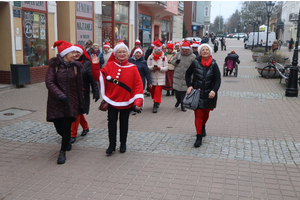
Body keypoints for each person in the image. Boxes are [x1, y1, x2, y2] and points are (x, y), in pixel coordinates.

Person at [91, 42, 144, 155]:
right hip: (112, 100)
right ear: (115, 54)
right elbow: (98, 77)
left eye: (124, 51)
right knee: (111, 123)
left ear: (127, 53)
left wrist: (138, 101)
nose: (122, 54)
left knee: (124, 123)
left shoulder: (133, 68)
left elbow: (138, 85)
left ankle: (123, 143)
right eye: (119, 52)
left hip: (126, 100)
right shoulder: (109, 66)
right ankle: (112, 144)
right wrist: (95, 65)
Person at [45, 40, 85, 164]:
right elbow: (49, 82)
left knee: (66, 127)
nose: (74, 54)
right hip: (56, 102)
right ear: (64, 53)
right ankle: (66, 140)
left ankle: (62, 152)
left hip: (70, 102)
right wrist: (60, 95)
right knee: (59, 127)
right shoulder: (54, 66)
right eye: (72, 52)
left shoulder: (76, 67)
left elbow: (79, 86)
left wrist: (81, 104)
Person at [185, 44, 221, 147]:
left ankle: (203, 125)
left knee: (206, 114)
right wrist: (190, 86)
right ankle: (199, 136)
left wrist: (214, 90)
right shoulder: (195, 62)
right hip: (197, 93)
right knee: (198, 114)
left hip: (209, 94)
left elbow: (218, 79)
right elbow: (187, 74)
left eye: (207, 50)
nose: (205, 51)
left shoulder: (214, 64)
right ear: (200, 52)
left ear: (209, 52)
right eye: (203, 50)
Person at [70, 44, 100, 144]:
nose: (75, 54)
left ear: (82, 52)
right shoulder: (68, 63)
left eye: (77, 52)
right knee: (78, 112)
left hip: (82, 93)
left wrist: (96, 92)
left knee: (77, 112)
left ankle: (72, 134)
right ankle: (85, 127)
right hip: (71, 92)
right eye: (73, 52)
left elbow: (93, 79)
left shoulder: (87, 63)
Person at [171, 40, 196, 112]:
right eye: (183, 48)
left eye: (186, 49)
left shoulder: (193, 56)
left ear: (189, 48)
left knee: (184, 93)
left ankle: (182, 104)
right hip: (178, 76)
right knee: (177, 92)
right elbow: (172, 61)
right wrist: (176, 62)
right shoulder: (178, 54)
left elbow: (195, 67)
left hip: (186, 78)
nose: (184, 50)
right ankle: (178, 100)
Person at [147, 39, 169, 113]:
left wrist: (160, 68)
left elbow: (166, 68)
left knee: (157, 91)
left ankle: (155, 105)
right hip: (152, 77)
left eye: (159, 51)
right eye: (156, 51)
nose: (157, 52)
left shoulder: (163, 58)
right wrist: (152, 67)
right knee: (153, 92)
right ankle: (156, 101)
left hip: (160, 78)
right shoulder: (150, 57)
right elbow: (147, 67)